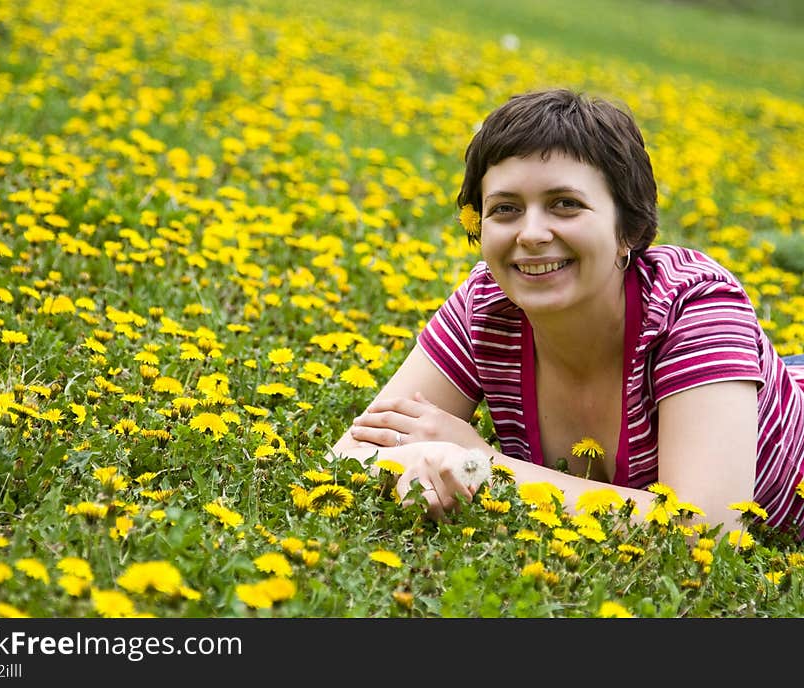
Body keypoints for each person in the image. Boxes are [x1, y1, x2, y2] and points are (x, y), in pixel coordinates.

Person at [329, 88, 804, 540]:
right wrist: (425, 463)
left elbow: (707, 527)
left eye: (565, 204)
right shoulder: (485, 304)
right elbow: (351, 455)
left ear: (630, 229)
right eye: (506, 209)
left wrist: (481, 465)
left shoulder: (694, 307)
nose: (531, 233)